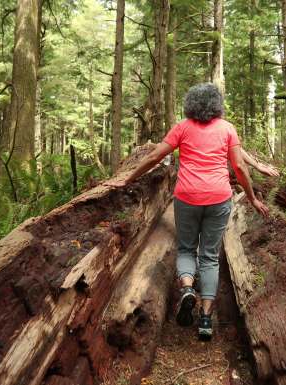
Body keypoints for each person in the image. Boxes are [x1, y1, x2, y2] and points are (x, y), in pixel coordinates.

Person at [106, 83, 270, 340]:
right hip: (219, 198)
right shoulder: (227, 129)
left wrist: (127, 179)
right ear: (217, 104)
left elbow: (153, 158)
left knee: (186, 248)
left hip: (187, 197)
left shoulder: (182, 127)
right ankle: (205, 319)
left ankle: (186, 289)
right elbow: (238, 166)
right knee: (210, 256)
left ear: (190, 103)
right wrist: (252, 198)